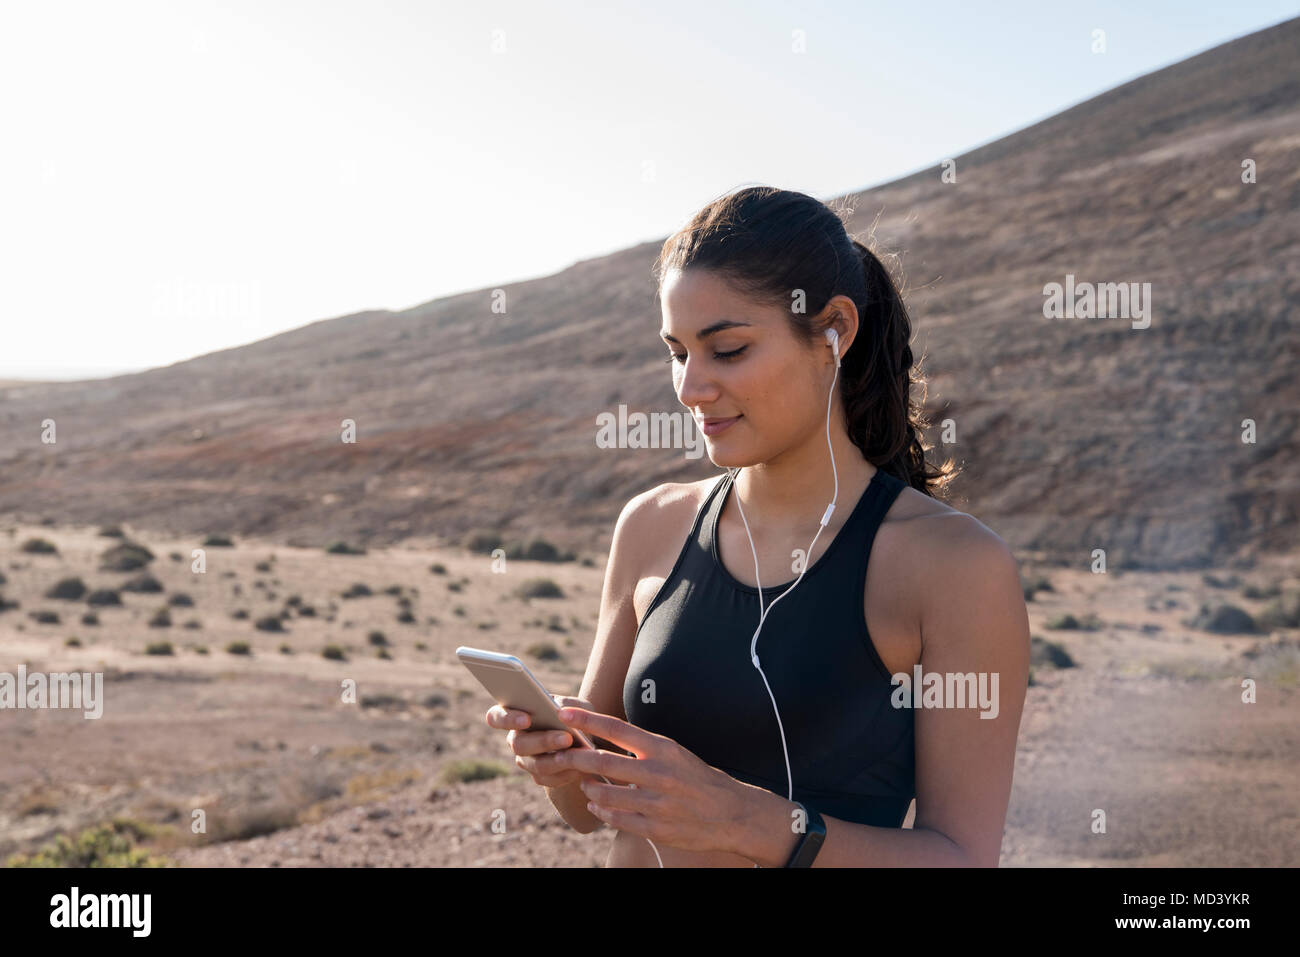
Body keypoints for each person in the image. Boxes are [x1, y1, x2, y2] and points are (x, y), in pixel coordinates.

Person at [486, 185, 1029, 867]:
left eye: (729, 349)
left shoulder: (954, 566)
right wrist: (561, 762)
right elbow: (587, 814)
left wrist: (750, 820)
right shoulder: (651, 526)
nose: (690, 388)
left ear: (834, 329)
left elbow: (963, 858)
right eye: (678, 352)